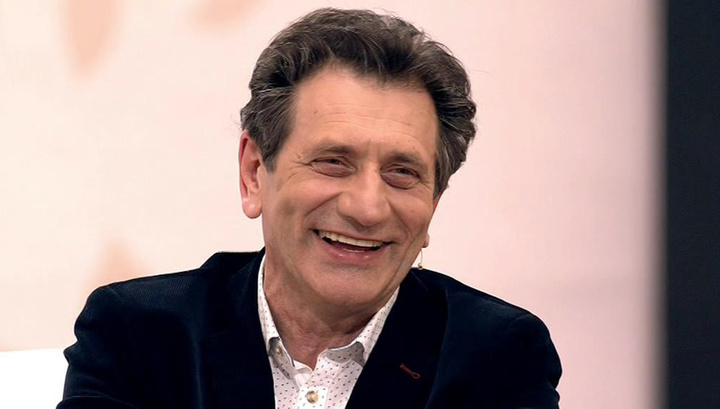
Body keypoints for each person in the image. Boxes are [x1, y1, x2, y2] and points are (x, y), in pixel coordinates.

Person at [58, 8, 561, 409]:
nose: (367, 208)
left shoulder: (498, 356)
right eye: (333, 162)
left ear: (434, 200)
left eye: (402, 172)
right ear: (254, 172)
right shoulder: (138, 334)